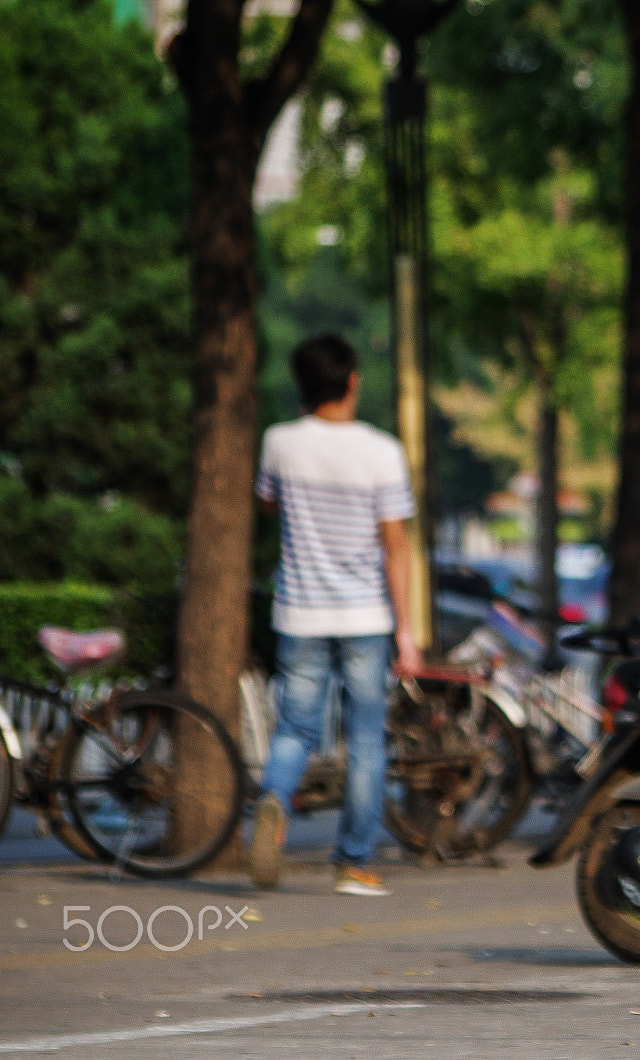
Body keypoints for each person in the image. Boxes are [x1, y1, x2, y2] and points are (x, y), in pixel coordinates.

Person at [248, 333, 423, 897]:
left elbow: (268, 501)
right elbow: (396, 545)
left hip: (298, 613)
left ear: (302, 387)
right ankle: (351, 862)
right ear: (351, 383)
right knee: (367, 739)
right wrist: (408, 630)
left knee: (295, 728)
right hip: (365, 616)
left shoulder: (279, 442)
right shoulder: (380, 451)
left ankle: (274, 797)